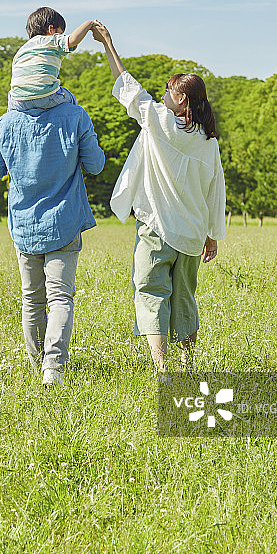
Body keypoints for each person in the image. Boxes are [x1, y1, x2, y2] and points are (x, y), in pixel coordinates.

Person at [92, 22, 226, 374]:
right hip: (193, 234)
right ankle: (188, 362)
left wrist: (108, 44)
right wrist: (212, 235)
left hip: (156, 227)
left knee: (151, 292)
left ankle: (163, 369)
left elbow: (127, 86)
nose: (162, 95)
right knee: (185, 298)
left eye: (167, 91)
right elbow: (216, 192)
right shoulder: (209, 143)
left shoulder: (160, 121)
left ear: (181, 98)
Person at [0, 58, 105, 386]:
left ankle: (37, 366)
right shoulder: (76, 116)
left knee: (31, 298)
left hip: (24, 226)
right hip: (64, 222)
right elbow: (95, 165)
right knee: (61, 296)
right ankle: (54, 367)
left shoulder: (4, 124)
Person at [8, 6, 95, 112]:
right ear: (51, 29)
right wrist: (89, 24)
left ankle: (11, 116)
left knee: (12, 93)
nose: (61, 36)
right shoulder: (52, 39)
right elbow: (73, 40)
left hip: (19, 101)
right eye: (61, 33)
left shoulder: (21, 50)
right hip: (45, 96)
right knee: (70, 98)